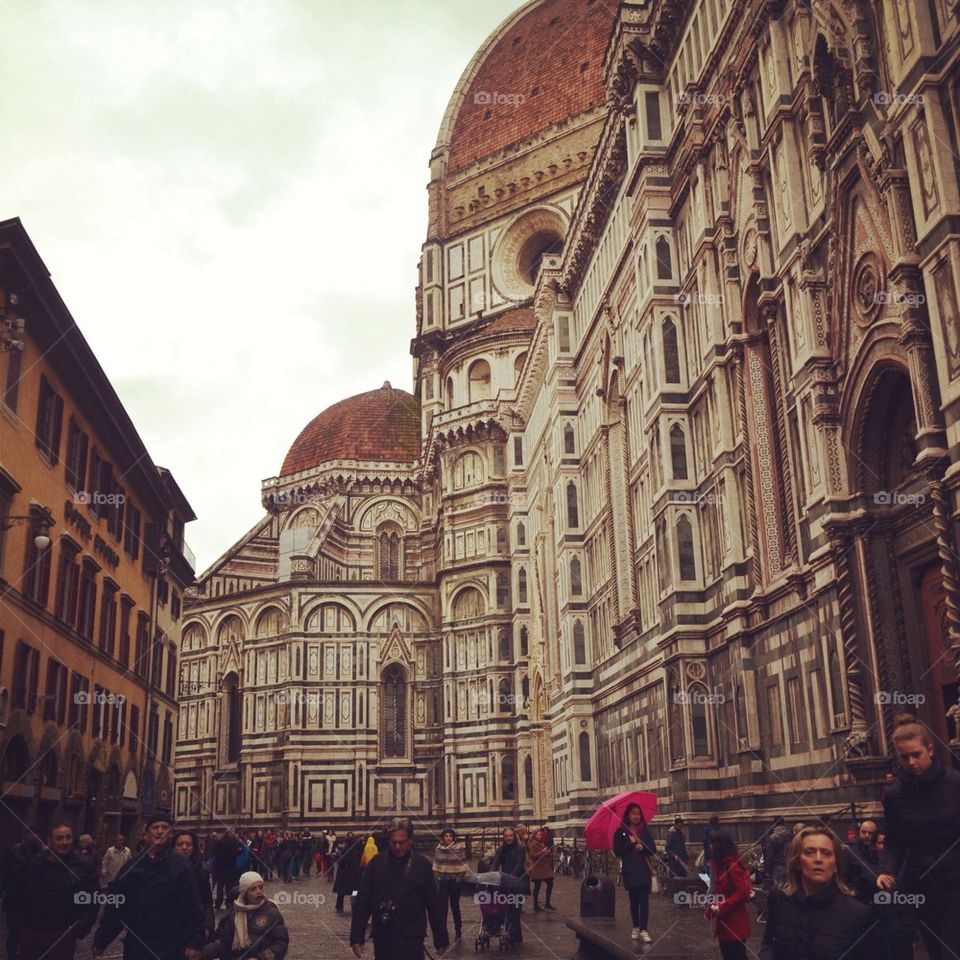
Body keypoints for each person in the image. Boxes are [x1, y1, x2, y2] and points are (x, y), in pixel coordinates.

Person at [878, 712, 960, 960]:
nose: (911, 762)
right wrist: (887, 870)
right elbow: (893, 841)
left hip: (957, 881)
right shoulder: (894, 794)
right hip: (922, 885)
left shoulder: (955, 784)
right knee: (935, 950)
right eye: (904, 757)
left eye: (917, 754)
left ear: (930, 749)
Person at [93, 812, 205, 960]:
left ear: (170, 834)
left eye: (164, 827)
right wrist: (101, 940)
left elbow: (194, 906)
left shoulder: (181, 866)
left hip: (170, 945)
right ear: (146, 834)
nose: (160, 831)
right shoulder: (132, 866)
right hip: (137, 945)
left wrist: (195, 943)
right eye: (155, 827)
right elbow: (116, 907)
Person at [759, 826, 872, 960]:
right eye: (809, 852)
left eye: (826, 853)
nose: (818, 859)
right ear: (797, 862)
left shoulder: (858, 914)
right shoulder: (779, 898)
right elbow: (768, 943)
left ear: (836, 865)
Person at [350, 818, 448, 960]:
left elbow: (434, 904)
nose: (397, 847)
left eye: (401, 842)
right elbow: (363, 902)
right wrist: (357, 937)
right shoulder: (376, 864)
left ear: (410, 840)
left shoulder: (422, 865)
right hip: (383, 935)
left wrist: (441, 939)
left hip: (411, 936)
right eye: (393, 842)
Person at [11, 823, 98, 960]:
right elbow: (17, 896)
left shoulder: (83, 865)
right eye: (59, 838)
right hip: (31, 932)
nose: (65, 842)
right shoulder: (34, 863)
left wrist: (78, 929)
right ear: (49, 841)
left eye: (68, 838)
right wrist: (19, 928)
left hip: (62, 934)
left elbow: (93, 900)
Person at [202, 871, 288, 960]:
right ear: (245, 893)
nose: (258, 891)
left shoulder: (272, 912)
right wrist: (200, 953)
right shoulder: (234, 914)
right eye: (253, 889)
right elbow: (223, 944)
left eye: (260, 887)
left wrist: (260, 958)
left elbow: (281, 943)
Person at [703, 831, 751, 960]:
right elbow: (719, 893)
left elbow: (742, 893)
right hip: (724, 923)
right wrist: (710, 910)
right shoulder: (719, 866)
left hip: (735, 924)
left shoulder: (731, 866)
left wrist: (722, 906)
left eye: (712, 845)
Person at [613, 802, 656, 943]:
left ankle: (644, 929)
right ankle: (636, 927)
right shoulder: (621, 832)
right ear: (628, 815)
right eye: (633, 813)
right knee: (633, 901)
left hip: (643, 870)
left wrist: (642, 847)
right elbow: (617, 851)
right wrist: (630, 843)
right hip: (630, 871)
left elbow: (653, 849)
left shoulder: (644, 831)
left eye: (638, 814)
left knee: (644, 901)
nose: (636, 816)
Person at [1, 828, 42, 960]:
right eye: (31, 833)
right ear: (26, 834)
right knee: (13, 930)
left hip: (34, 900)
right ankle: (13, 955)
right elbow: (5, 872)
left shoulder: (43, 852)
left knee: (30, 930)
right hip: (15, 898)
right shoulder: (14, 850)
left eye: (36, 834)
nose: (33, 836)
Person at [175, 830, 216, 940]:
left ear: (194, 847)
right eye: (180, 844)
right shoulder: (165, 869)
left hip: (194, 925)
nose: (184, 847)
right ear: (173, 847)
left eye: (188, 844)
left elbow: (207, 901)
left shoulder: (201, 871)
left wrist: (208, 925)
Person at [491, 827, 527, 943]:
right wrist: (491, 875)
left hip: (518, 882)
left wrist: (511, 878)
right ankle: (511, 934)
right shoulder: (501, 848)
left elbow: (519, 865)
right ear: (503, 837)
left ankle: (515, 936)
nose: (508, 838)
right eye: (506, 836)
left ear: (514, 836)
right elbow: (496, 862)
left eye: (510, 836)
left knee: (515, 910)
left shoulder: (520, 848)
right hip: (506, 882)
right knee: (506, 908)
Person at [433, 828, 467, 941]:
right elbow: (437, 864)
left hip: (454, 882)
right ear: (443, 837)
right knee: (442, 909)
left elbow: (463, 864)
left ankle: (458, 931)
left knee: (455, 907)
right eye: (446, 836)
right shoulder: (439, 848)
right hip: (443, 881)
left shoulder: (459, 848)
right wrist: (437, 876)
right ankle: (443, 934)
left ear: (453, 837)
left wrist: (459, 878)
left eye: (450, 836)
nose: (448, 838)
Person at [527, 828, 555, 911]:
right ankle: (535, 905)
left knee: (550, 883)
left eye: (540, 835)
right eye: (538, 835)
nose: (540, 836)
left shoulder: (542, 843)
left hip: (545, 868)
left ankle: (547, 903)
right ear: (535, 835)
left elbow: (542, 854)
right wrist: (542, 852)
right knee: (537, 886)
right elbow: (532, 856)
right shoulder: (533, 844)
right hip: (538, 868)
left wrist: (547, 853)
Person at [334, 832, 363, 913]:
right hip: (352, 874)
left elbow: (343, 860)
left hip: (346, 874)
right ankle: (352, 906)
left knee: (344, 892)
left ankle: (349, 906)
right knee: (353, 891)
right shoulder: (355, 848)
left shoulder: (349, 849)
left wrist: (338, 855)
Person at [213, 829, 241, 910]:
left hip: (220, 867)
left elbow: (214, 852)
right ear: (229, 833)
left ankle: (218, 903)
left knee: (220, 886)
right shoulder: (232, 842)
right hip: (229, 867)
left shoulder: (219, 842)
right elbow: (236, 853)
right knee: (229, 886)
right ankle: (229, 903)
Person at [762, 818, 793, 889]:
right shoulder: (790, 835)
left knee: (778, 889)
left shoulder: (771, 837)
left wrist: (767, 870)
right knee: (788, 889)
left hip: (777, 866)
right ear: (784, 823)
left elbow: (769, 855)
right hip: (789, 865)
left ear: (775, 824)